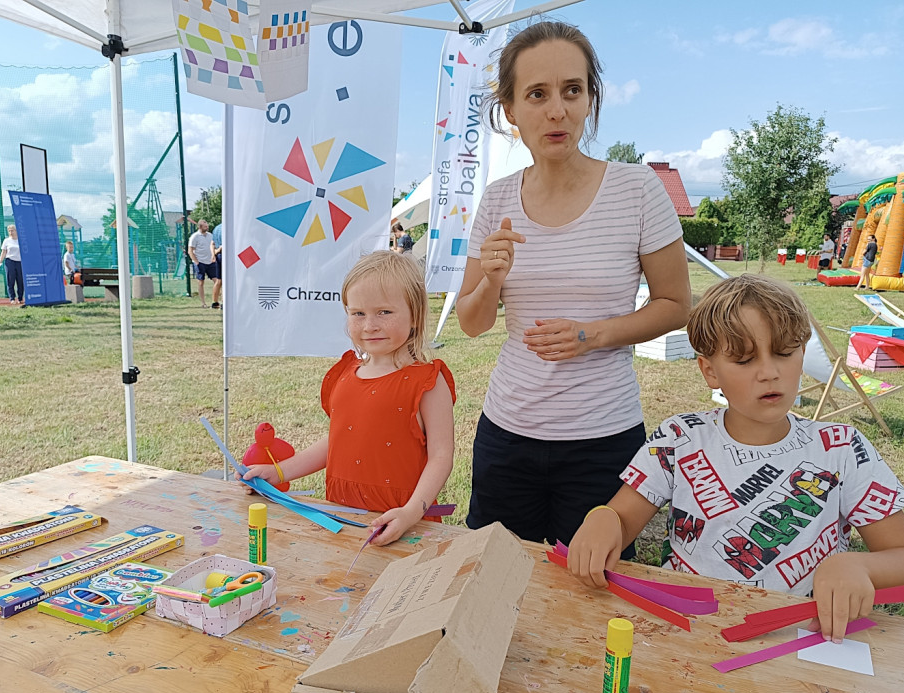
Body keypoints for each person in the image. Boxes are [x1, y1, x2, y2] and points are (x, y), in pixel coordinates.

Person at [567, 274, 904, 643]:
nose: (769, 372)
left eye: (784, 353)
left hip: (804, 643)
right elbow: (622, 520)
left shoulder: (841, 448)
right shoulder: (679, 439)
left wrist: (857, 566)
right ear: (709, 371)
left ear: (802, 355)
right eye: (744, 360)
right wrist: (604, 519)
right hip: (688, 637)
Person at [455, 20, 691, 552]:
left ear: (590, 99)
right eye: (536, 94)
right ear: (510, 110)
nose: (556, 110)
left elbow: (676, 305)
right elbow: (473, 324)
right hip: (507, 432)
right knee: (492, 575)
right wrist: (491, 279)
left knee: (591, 588)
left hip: (603, 438)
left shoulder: (636, 189)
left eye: (572, 91)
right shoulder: (496, 199)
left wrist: (594, 334)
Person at [239, 250, 456, 546]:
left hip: (403, 523)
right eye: (358, 314)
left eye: (384, 312)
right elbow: (338, 441)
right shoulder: (345, 373)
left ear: (415, 315)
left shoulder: (428, 381)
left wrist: (410, 513)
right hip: (343, 517)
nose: (370, 325)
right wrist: (278, 472)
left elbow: (441, 457)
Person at [186, 219, 220, 309]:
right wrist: (196, 262)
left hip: (211, 262)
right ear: (200, 227)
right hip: (200, 262)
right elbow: (190, 251)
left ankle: (216, 301)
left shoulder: (210, 236)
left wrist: (214, 256)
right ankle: (203, 302)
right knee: (201, 282)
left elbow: (213, 246)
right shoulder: (194, 237)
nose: (207, 227)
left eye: (207, 225)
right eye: (205, 226)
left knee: (217, 281)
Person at [0, 224, 24, 305]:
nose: (11, 232)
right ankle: (12, 298)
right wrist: (0, 261)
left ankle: (20, 298)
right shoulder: (6, 241)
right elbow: (3, 252)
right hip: (9, 261)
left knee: (20, 280)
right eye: (9, 231)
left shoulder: (21, 240)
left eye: (12, 230)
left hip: (19, 262)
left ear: (16, 231)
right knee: (10, 280)